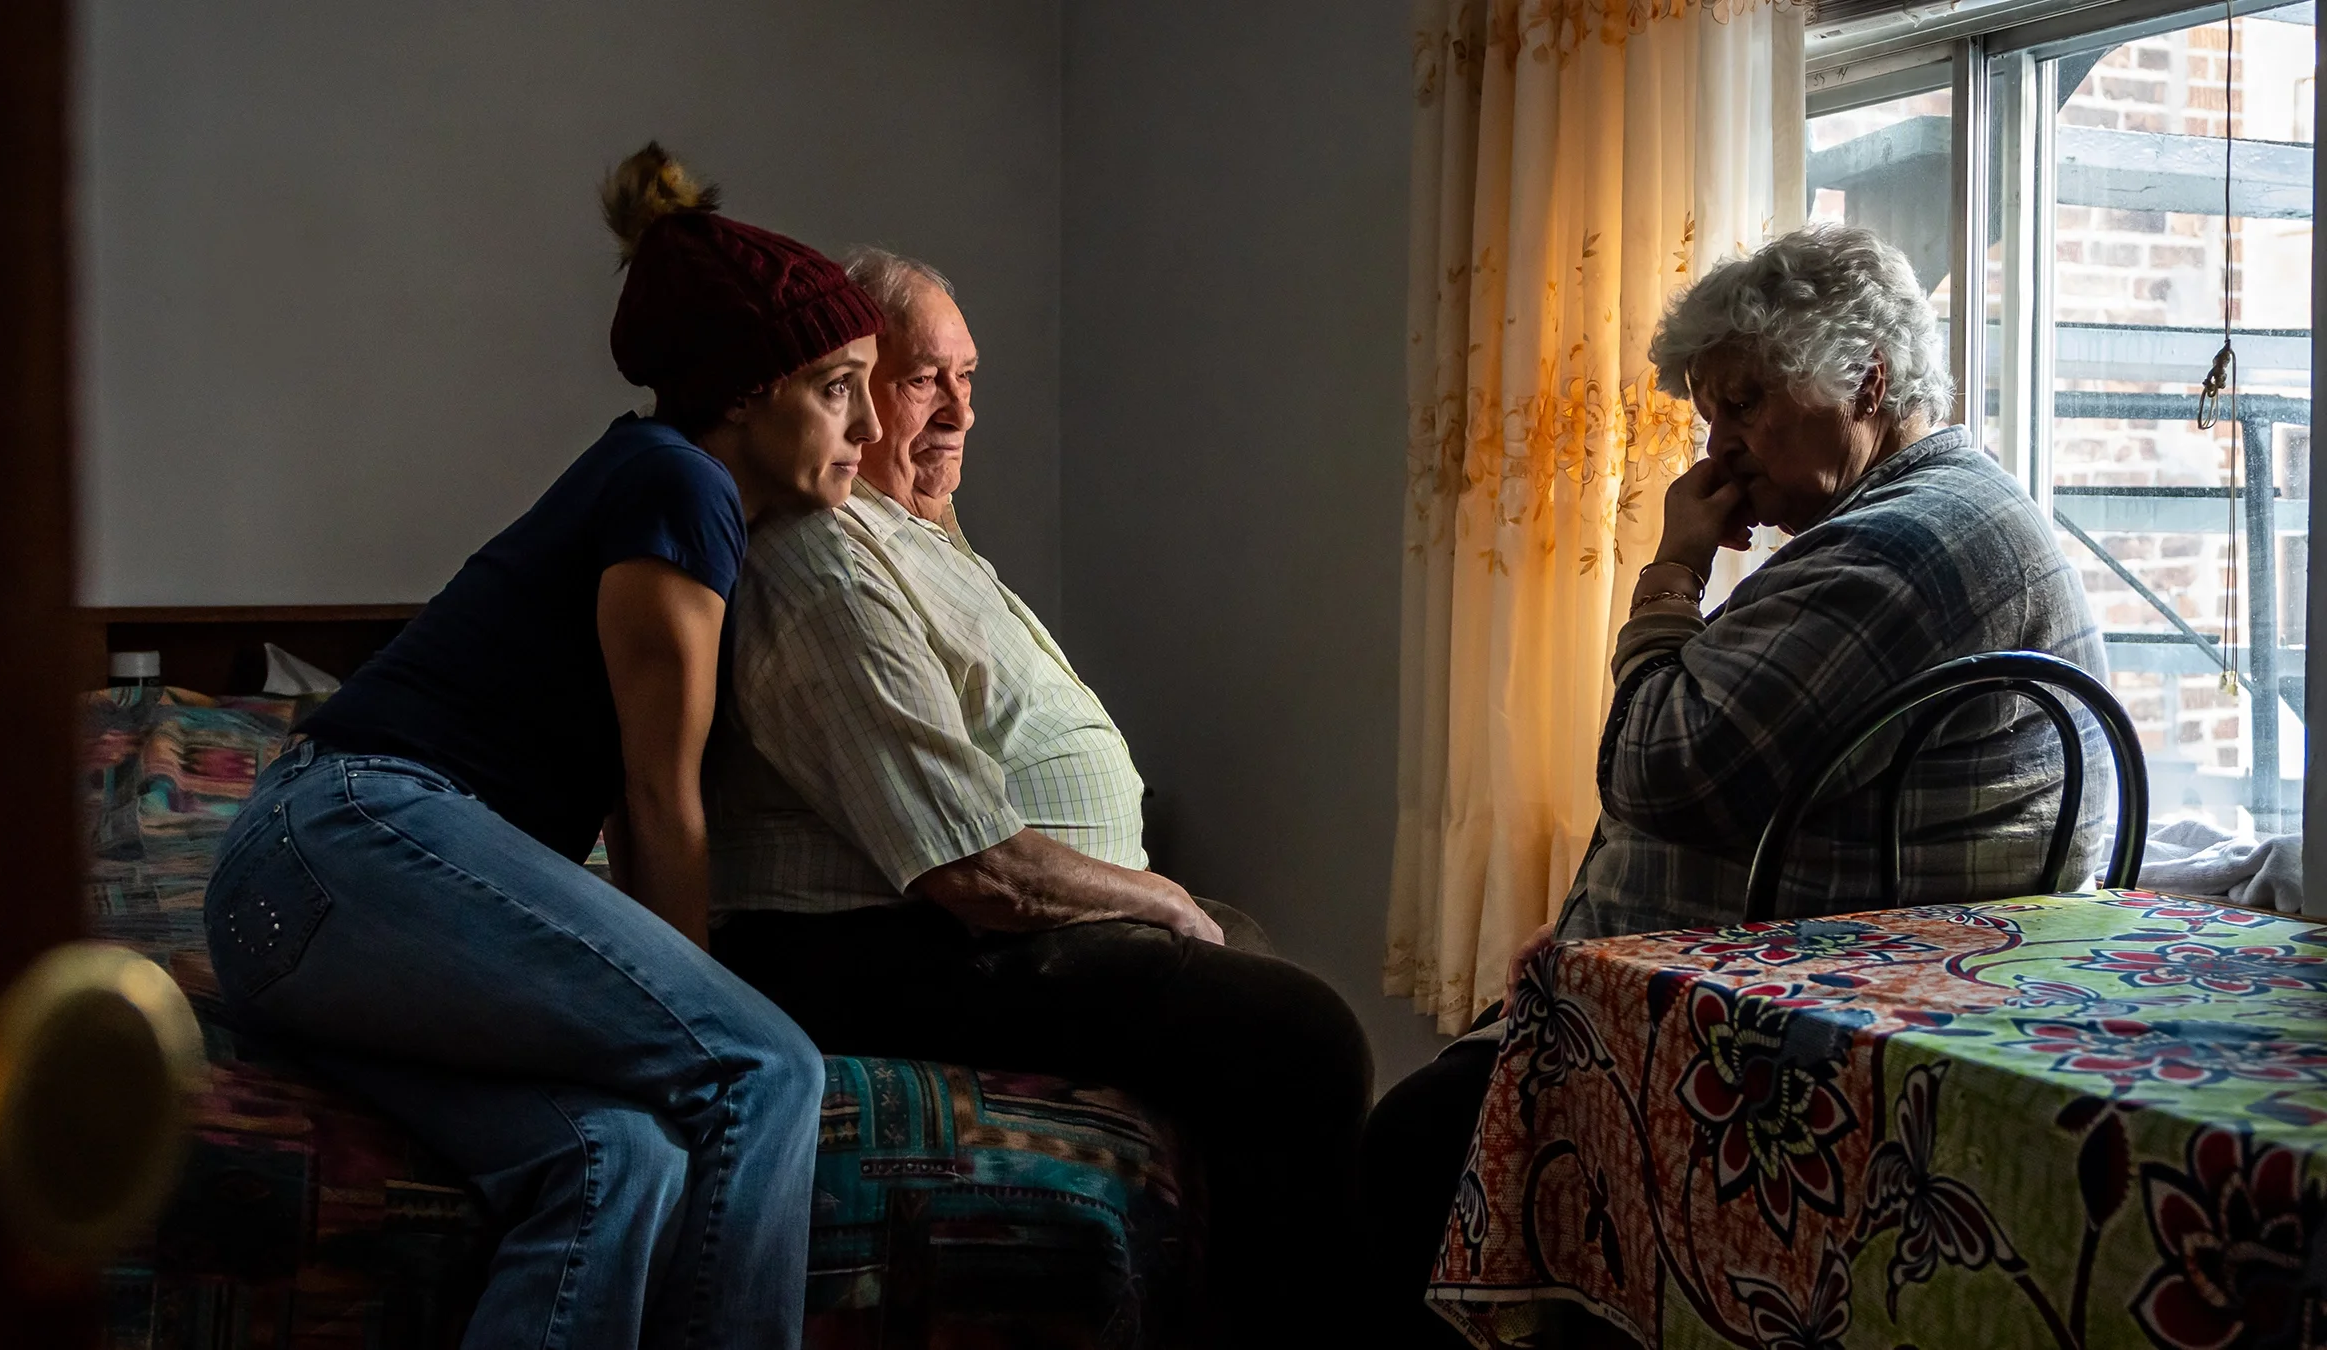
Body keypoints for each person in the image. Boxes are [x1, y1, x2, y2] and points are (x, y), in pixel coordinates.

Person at [1360, 224, 2107, 1346]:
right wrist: (1592, 948)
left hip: (1814, 1044)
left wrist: (1673, 569)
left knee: (1406, 1155)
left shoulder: (1893, 553)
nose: (1720, 451)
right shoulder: (1945, 512)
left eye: (1748, 403)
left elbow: (1657, 766)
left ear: (1867, 377)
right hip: (1828, 990)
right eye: (1712, 415)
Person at [202, 144, 883, 1350]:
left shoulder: (656, 478)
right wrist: (700, 1010)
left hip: (296, 921)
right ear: (742, 393)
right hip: (350, 841)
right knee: (763, 1067)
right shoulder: (681, 484)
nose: (869, 425)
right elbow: (655, 804)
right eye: (838, 386)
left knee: (611, 1158)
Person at [703, 247, 1374, 1344]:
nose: (961, 411)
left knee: (1248, 956)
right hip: (881, 942)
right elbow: (968, 866)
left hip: (962, 921)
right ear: (850, 386)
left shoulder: (918, 537)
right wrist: (1149, 897)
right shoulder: (820, 560)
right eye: (925, 379)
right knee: (1307, 1037)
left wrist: (1150, 896)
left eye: (971, 377)